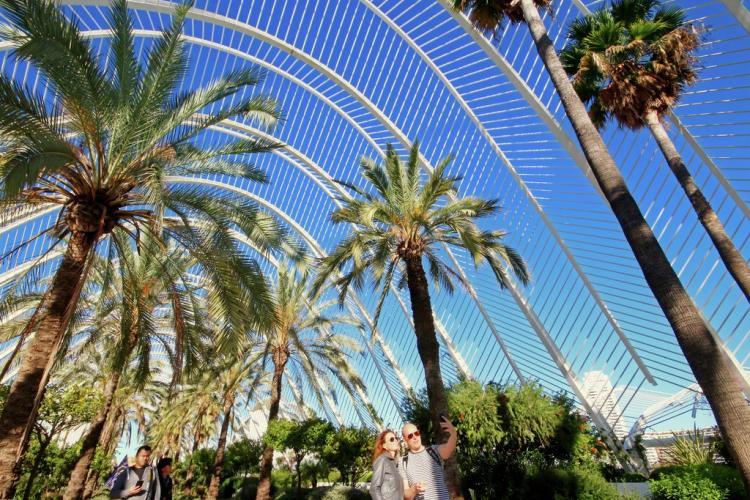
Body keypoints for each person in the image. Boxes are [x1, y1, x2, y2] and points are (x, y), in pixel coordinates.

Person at [400, 417, 457, 500]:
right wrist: (414, 489)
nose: (415, 437)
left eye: (416, 433)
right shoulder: (403, 462)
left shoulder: (433, 451)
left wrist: (453, 434)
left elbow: (449, 448)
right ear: (405, 440)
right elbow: (405, 494)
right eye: (410, 436)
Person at [369, 429, 404, 500]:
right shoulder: (382, 460)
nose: (395, 440)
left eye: (396, 438)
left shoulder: (395, 463)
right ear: (384, 445)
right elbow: (374, 489)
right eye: (391, 439)